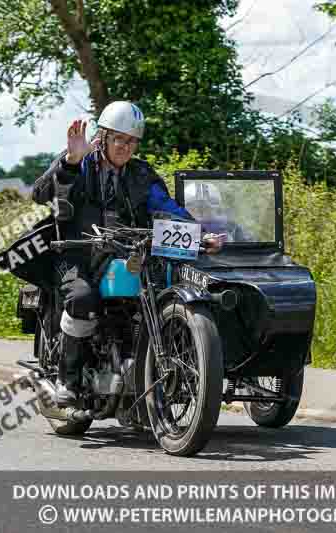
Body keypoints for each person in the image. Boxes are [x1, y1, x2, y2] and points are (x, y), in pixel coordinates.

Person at [31, 101, 221, 407]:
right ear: (103, 137)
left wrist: (198, 235)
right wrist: (68, 161)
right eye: (119, 138)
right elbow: (40, 193)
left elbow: (167, 208)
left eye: (131, 141)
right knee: (82, 298)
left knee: (159, 290)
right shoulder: (80, 162)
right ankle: (67, 379)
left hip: (126, 253)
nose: (125, 146)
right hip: (77, 254)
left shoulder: (141, 174)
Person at [184, 181, 256, 243]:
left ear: (216, 207)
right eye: (194, 207)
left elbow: (250, 245)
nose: (200, 212)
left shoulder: (231, 227)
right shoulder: (183, 227)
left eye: (206, 207)